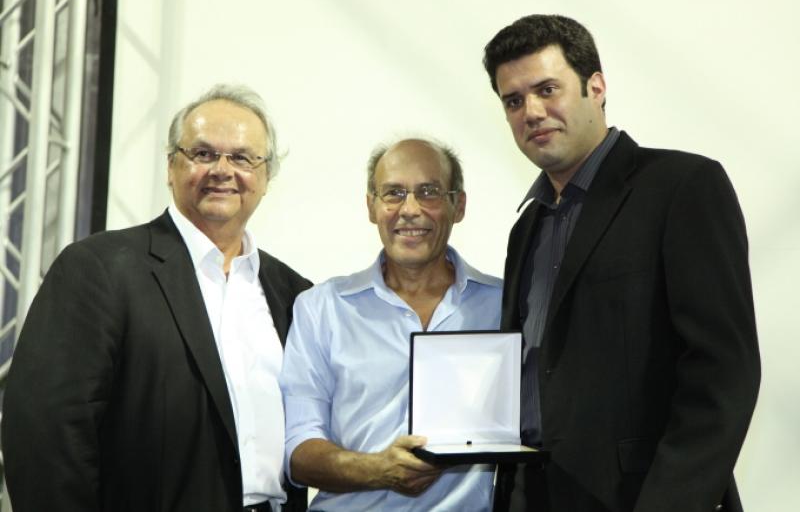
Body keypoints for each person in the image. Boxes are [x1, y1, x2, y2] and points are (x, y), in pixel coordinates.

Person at [483, 15, 760, 512]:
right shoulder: (526, 229)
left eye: (547, 89)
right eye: (514, 101)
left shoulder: (682, 187)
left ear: (596, 87)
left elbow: (723, 374)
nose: (532, 112)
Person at [1, 84, 310, 512]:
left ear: (266, 177)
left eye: (242, 157)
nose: (222, 170)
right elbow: (46, 431)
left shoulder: (294, 294)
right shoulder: (100, 269)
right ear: (171, 167)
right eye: (203, 153)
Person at [279, 138, 501, 511]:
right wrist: (378, 470)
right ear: (372, 206)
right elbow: (298, 452)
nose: (410, 210)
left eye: (429, 192)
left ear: (458, 206)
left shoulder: (504, 306)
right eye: (393, 193)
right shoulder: (321, 308)